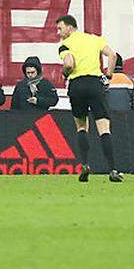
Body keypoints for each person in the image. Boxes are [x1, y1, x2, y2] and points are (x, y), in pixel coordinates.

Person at [55, 14, 123, 182]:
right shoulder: (95, 39)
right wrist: (108, 76)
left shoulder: (65, 44)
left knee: (81, 127)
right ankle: (113, 170)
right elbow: (112, 56)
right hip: (94, 84)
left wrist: (64, 73)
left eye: (60, 28)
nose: (58, 32)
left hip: (77, 85)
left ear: (70, 28)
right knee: (104, 128)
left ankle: (85, 165)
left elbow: (69, 64)